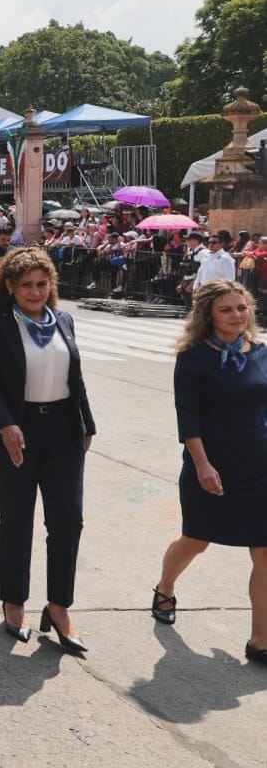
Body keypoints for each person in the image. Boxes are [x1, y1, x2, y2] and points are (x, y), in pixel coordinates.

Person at [0, 248, 97, 652]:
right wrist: (7, 423)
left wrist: (86, 424)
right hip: (14, 437)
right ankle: (14, 602)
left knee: (68, 522)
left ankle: (59, 606)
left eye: (42, 284)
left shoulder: (63, 320)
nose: (35, 291)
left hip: (63, 434)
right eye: (26, 285)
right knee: (17, 522)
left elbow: (74, 378)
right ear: (9, 287)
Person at [152, 280, 267, 664]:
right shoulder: (193, 358)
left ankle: (260, 640)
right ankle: (165, 586)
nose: (237, 316)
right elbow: (189, 417)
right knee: (196, 540)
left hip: (258, 464)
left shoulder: (261, 353)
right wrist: (202, 465)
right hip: (211, 462)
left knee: (265, 552)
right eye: (227, 309)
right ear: (209, 315)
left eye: (242, 308)